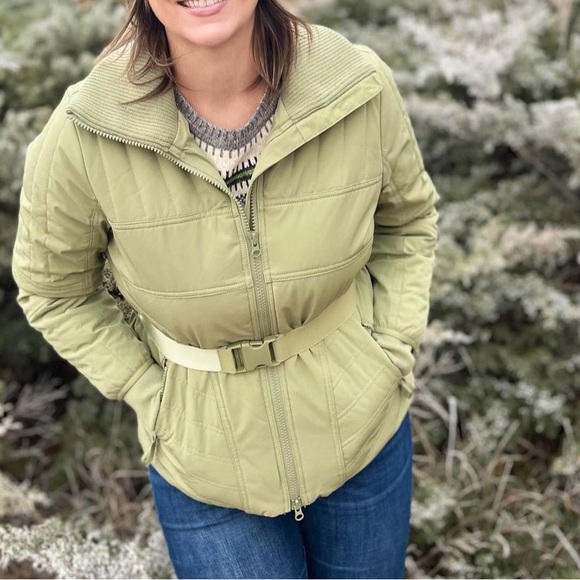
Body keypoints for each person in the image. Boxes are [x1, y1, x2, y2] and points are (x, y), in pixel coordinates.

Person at [12, 0, 438, 577]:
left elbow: (407, 222)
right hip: (203, 463)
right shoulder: (86, 130)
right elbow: (53, 290)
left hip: (364, 430)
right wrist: (151, 393)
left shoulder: (355, 85)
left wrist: (389, 349)